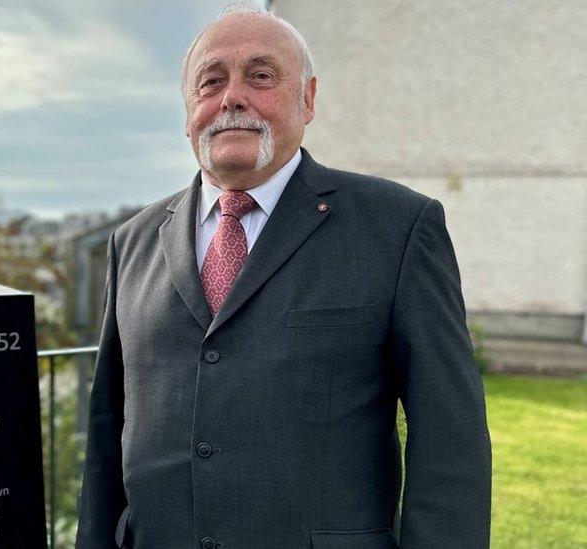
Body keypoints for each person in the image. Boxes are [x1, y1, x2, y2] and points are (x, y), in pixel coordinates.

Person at [75, 4, 492, 549]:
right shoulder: (132, 242)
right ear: (188, 110)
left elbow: (451, 440)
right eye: (212, 81)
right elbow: (109, 436)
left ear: (308, 98)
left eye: (261, 76)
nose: (232, 98)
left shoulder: (399, 228)